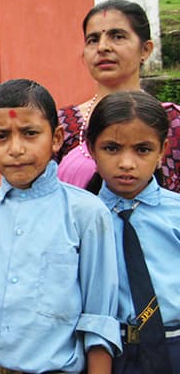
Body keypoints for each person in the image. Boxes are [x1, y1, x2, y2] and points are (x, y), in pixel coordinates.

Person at [0, 79, 121, 373]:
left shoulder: (87, 214)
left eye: (30, 134)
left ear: (55, 138)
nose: (16, 149)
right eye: (1, 136)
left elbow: (99, 318)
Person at [85, 91, 180, 373]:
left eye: (142, 149)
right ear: (91, 149)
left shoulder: (177, 212)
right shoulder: (80, 217)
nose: (127, 163)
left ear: (162, 150)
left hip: (174, 345)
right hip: (108, 351)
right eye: (112, 148)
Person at [56, 0, 180, 193]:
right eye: (93, 40)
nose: (103, 47)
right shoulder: (61, 124)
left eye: (118, 36)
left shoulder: (173, 122)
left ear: (145, 50)